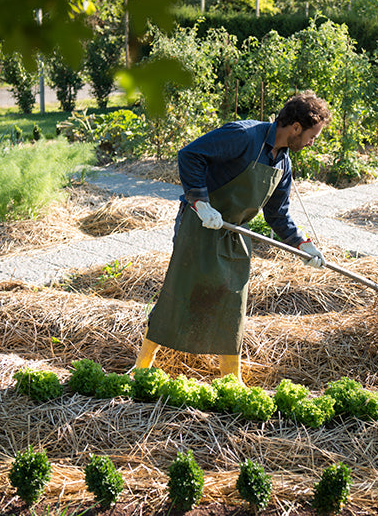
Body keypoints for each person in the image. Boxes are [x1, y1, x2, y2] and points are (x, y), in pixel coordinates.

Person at [132, 91, 331, 383]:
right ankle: (141, 366)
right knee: (180, 293)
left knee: (232, 303)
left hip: (233, 232)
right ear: (296, 127)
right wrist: (200, 202)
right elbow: (190, 155)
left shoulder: (283, 164)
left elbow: (278, 215)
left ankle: (231, 380)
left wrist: (302, 245)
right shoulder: (244, 136)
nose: (313, 142)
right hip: (200, 223)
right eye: (312, 135)